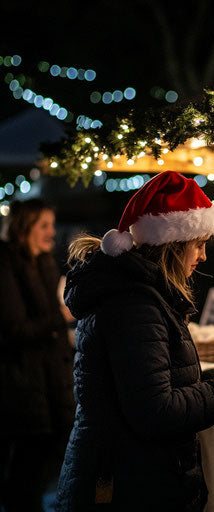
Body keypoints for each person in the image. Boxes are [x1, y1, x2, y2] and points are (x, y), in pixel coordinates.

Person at [56, 171, 214, 511]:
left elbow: (157, 382)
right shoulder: (134, 304)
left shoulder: (139, 294)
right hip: (126, 486)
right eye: (199, 244)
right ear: (172, 244)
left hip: (132, 476)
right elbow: (157, 411)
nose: (203, 256)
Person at [0, 199, 75, 512]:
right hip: (20, 379)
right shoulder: (5, 264)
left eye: (52, 225)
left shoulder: (43, 261)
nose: (51, 232)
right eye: (43, 225)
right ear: (24, 227)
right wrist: (62, 316)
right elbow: (15, 328)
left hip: (50, 378)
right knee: (27, 459)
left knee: (48, 450)